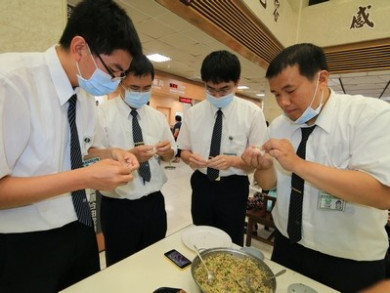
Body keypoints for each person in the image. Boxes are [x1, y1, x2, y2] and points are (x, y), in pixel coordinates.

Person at [0, 0, 142, 291]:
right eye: (113, 70)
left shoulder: (85, 93)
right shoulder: (12, 82)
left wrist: (110, 153)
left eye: (121, 75)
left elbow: (79, 152)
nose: (116, 82)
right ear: (80, 48)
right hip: (23, 241)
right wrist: (86, 177)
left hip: (79, 228)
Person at [242, 43, 390, 292]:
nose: (283, 102)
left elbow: (382, 195)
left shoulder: (370, 116)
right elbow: (268, 183)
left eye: (290, 90)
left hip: (349, 261)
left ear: (321, 79)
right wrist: (263, 166)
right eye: (276, 94)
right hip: (288, 247)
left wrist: (298, 164)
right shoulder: (279, 125)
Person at [177, 50, 268, 246]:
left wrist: (233, 161)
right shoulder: (193, 113)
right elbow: (183, 150)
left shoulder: (252, 114)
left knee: (231, 238)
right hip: (201, 184)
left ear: (236, 82)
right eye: (211, 89)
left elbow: (259, 161)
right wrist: (189, 158)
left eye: (224, 89)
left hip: (233, 187)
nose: (217, 95)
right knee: (200, 236)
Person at [93, 54, 177, 266]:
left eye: (146, 88)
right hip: (119, 206)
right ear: (121, 81)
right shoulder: (102, 114)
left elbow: (171, 153)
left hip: (154, 203)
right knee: (121, 266)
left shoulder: (156, 117)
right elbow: (91, 155)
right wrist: (126, 153)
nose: (141, 94)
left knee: (154, 262)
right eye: (134, 88)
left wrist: (167, 151)